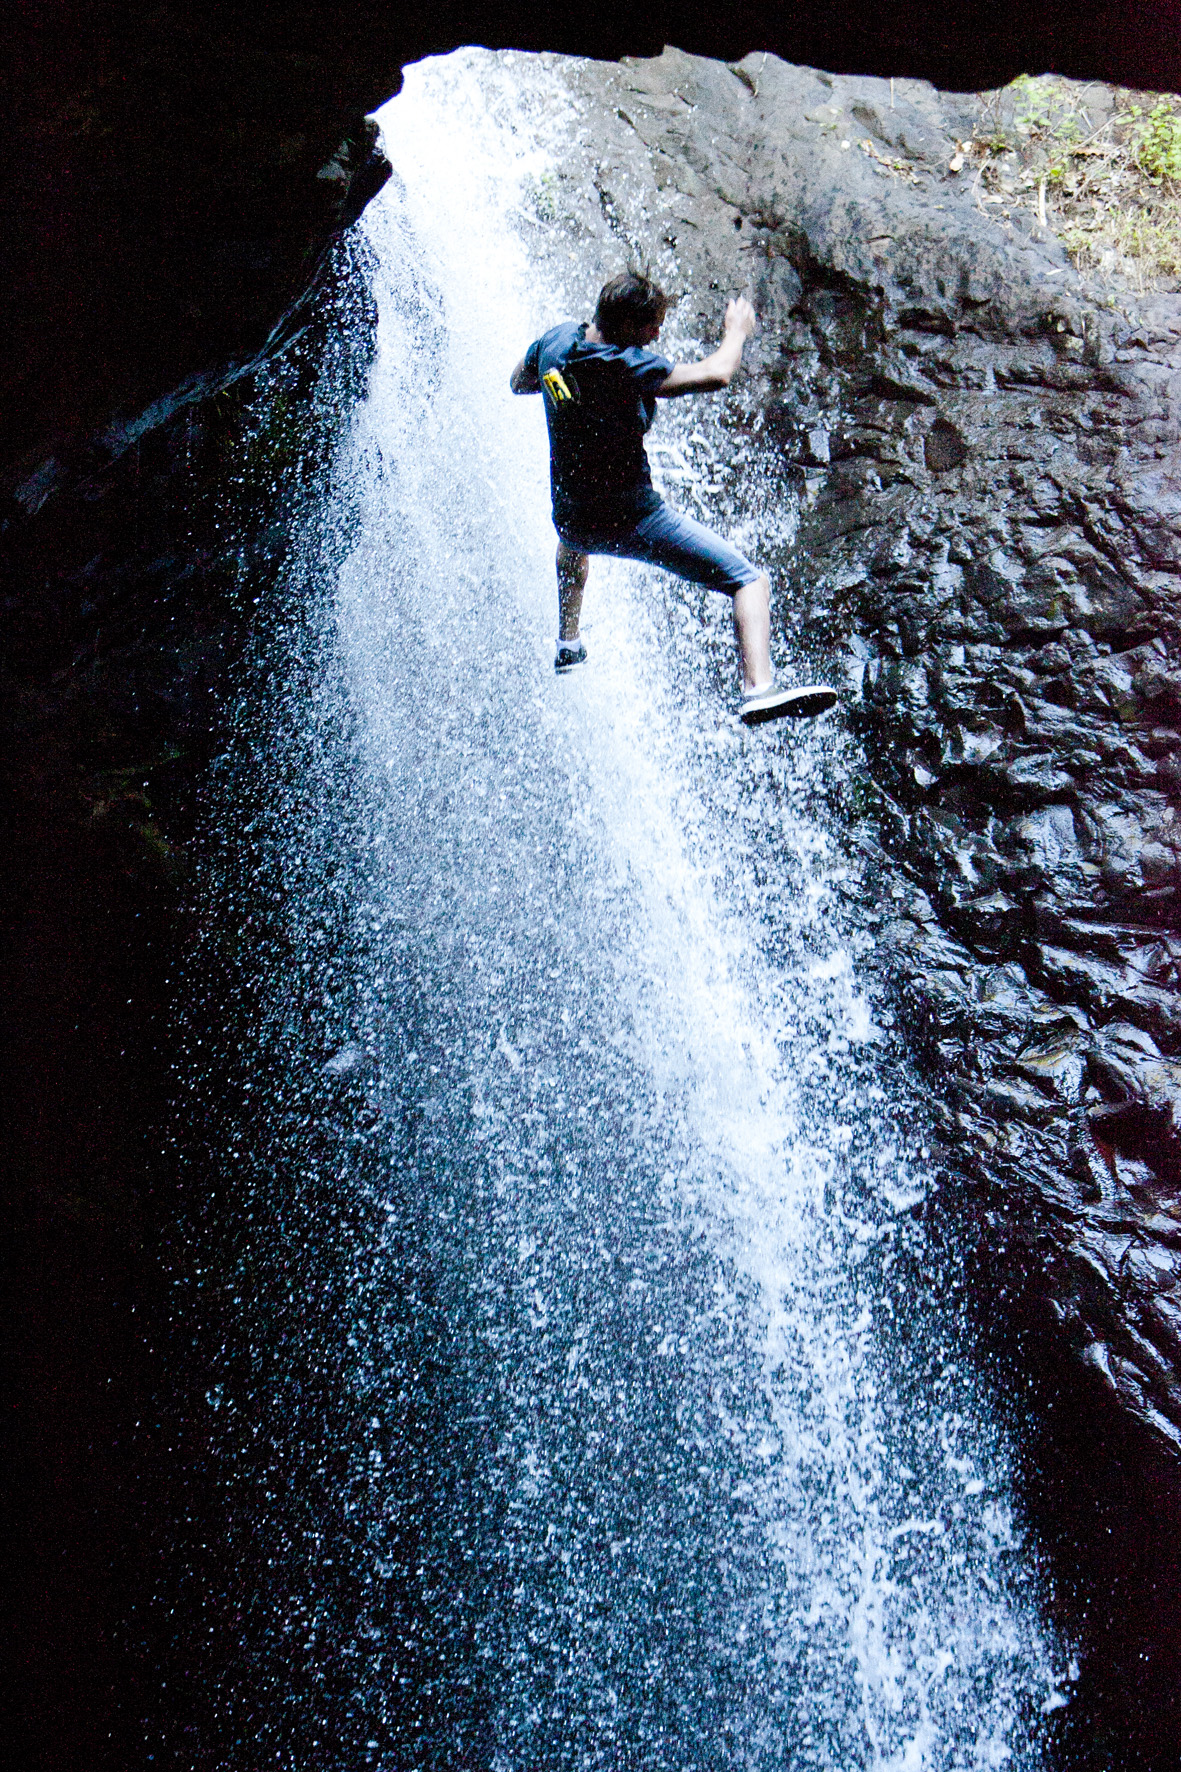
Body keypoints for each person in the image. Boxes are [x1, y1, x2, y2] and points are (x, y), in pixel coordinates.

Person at [510, 272, 836, 724]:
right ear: (627, 328)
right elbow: (716, 373)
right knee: (747, 580)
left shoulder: (556, 341)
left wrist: (571, 399)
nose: (658, 335)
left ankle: (568, 641)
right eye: (651, 328)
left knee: (572, 541)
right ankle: (759, 687)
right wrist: (735, 331)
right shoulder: (622, 364)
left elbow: (519, 382)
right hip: (633, 519)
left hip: (571, 517)